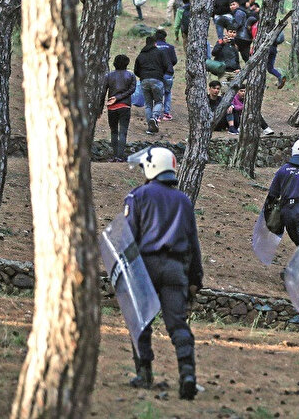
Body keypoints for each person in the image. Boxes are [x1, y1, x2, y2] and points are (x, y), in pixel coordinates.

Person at [124, 147, 203, 400]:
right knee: (177, 324)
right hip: (175, 269)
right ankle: (187, 375)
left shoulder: (137, 196)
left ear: (151, 167)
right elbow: (193, 243)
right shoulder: (184, 201)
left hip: (145, 268)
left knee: (141, 322)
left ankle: (144, 374)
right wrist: (195, 280)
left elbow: (128, 238)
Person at [134, 36, 173, 134]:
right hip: (157, 79)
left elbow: (136, 70)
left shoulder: (141, 55)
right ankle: (154, 118)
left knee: (148, 104)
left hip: (144, 80)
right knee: (159, 101)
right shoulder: (160, 53)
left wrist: (143, 76)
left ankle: (150, 127)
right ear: (155, 43)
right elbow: (166, 66)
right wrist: (160, 74)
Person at [102, 54, 137, 161]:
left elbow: (103, 92)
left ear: (115, 63)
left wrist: (100, 107)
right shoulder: (131, 76)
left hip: (112, 108)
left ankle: (114, 154)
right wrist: (119, 97)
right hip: (125, 106)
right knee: (123, 132)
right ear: (127, 63)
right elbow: (132, 90)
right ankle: (120, 156)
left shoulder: (109, 76)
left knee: (113, 131)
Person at [154, 29, 178, 121]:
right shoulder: (170, 47)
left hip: (157, 74)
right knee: (167, 93)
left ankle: (156, 115)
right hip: (168, 73)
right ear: (165, 37)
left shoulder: (153, 47)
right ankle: (166, 113)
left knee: (157, 94)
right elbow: (174, 60)